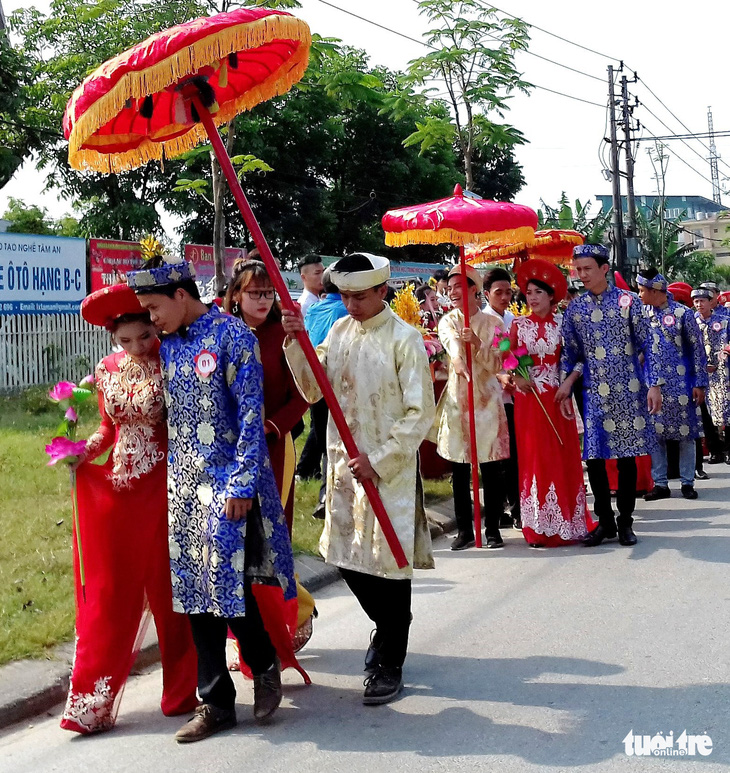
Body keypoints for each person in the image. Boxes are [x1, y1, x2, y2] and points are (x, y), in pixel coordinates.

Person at [128, 256, 305, 743]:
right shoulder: (167, 347)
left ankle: (265, 662)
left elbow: (252, 414)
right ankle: (216, 703)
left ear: (181, 295)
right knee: (192, 593)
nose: (151, 318)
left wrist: (243, 484)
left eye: (154, 307)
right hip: (183, 487)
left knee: (228, 587)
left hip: (228, 485)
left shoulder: (234, 336)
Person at [282, 252, 435, 706]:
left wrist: (381, 458)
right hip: (344, 467)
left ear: (382, 291)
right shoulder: (339, 331)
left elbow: (419, 412)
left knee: (388, 564)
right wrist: (295, 344)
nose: (351, 305)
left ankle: (389, 660)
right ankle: (388, 627)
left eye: (360, 297)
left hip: (389, 471)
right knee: (347, 559)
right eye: (344, 296)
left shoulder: (405, 339)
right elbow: (313, 390)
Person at [61, 284, 198, 735]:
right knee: (110, 590)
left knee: (167, 593)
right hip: (120, 492)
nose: (137, 347)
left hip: (164, 489)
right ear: (112, 339)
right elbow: (107, 428)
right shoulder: (107, 369)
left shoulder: (173, 360)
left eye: (144, 336)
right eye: (125, 341)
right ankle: (93, 700)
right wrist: (84, 452)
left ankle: (181, 691)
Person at [558, 244, 663, 547]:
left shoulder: (629, 303)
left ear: (605, 268)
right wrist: (565, 385)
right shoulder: (575, 309)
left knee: (627, 458)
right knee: (595, 458)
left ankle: (626, 521)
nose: (582, 275)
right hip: (592, 393)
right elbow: (571, 354)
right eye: (578, 270)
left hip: (629, 391)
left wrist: (654, 385)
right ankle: (604, 521)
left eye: (587, 269)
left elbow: (648, 345)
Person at [510, 260, 594, 547]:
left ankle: (567, 521)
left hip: (559, 399)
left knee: (561, 454)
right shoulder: (519, 326)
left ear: (551, 296)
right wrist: (517, 377)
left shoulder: (566, 323)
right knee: (535, 457)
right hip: (530, 401)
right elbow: (510, 359)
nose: (531, 298)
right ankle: (537, 527)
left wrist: (568, 383)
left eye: (537, 292)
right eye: (528, 292)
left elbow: (581, 358)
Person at [224, 259, 308, 533]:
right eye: (254, 293)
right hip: (227, 445)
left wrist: (270, 427)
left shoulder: (285, 334)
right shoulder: (222, 334)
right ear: (236, 294)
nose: (263, 299)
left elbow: (303, 394)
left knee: (273, 527)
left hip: (273, 444)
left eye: (268, 292)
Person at [433, 264, 510, 550]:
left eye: (457, 287)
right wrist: (458, 359)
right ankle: (465, 529)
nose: (451, 292)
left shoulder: (496, 325)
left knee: (491, 468)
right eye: (449, 287)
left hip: (488, 402)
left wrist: (478, 345)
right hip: (458, 402)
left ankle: (492, 528)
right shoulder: (448, 321)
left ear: (473, 289)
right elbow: (451, 344)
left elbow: (498, 364)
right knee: (460, 468)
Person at [637, 270, 707, 501]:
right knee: (655, 434)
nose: (639, 295)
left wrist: (699, 383)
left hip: (682, 384)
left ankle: (687, 482)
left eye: (641, 290)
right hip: (651, 384)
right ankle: (660, 483)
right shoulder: (641, 314)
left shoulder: (683, 313)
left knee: (686, 434)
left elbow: (696, 350)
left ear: (655, 291)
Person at [301, 268, 349, 519]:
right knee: (338, 444)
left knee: (325, 443)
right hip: (338, 386)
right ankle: (332, 497)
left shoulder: (314, 310)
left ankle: (324, 496)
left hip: (315, 384)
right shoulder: (345, 313)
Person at [483, 267, 520, 529]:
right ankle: (499, 510)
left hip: (513, 396)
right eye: (499, 292)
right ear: (486, 294)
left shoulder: (513, 320)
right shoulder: (481, 321)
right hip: (489, 397)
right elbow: (487, 361)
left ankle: (517, 507)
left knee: (515, 455)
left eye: (509, 292)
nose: (505, 297)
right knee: (496, 459)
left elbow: (517, 354)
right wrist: (500, 375)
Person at [693, 287, 730, 463]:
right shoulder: (691, 321)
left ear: (711, 302)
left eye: (702, 301)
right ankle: (715, 450)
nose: (699, 305)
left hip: (723, 372)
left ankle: (728, 449)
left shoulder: (724, 321)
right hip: (700, 372)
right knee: (705, 412)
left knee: (726, 408)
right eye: (696, 301)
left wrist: (725, 353)